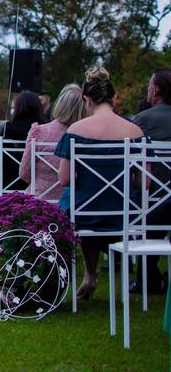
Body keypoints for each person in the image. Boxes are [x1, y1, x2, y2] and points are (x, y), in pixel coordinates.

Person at [56, 66, 144, 301]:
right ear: (114, 98)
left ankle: (90, 274)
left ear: (86, 100)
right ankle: (111, 272)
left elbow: (64, 179)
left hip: (85, 213)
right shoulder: (135, 131)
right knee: (97, 202)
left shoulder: (76, 130)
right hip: (126, 214)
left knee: (78, 202)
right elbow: (144, 182)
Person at [131, 67, 171, 294]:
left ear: (155, 90)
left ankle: (147, 278)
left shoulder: (142, 120)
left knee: (144, 203)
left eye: (148, 85)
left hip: (153, 201)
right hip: (163, 199)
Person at [20, 84, 85, 202]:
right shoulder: (85, 136)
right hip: (75, 203)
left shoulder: (38, 131)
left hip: (39, 201)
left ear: (60, 105)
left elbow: (24, 173)